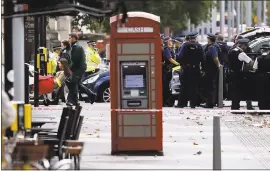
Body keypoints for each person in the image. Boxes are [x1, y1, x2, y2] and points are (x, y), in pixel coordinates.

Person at [176, 32, 204, 108]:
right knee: (194, 87)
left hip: (186, 69)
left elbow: (179, 57)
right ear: (195, 38)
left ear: (188, 37)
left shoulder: (185, 45)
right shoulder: (200, 46)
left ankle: (181, 104)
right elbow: (203, 59)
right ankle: (193, 104)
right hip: (196, 69)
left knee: (184, 86)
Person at [227, 38, 255, 112]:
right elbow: (251, 62)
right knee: (239, 90)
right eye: (245, 46)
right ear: (243, 46)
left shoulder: (232, 51)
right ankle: (236, 106)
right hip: (239, 74)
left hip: (231, 73)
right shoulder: (241, 53)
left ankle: (234, 106)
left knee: (233, 90)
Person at [201, 33, 221, 108]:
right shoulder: (213, 46)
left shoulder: (212, 47)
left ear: (209, 39)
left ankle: (210, 103)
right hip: (211, 69)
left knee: (210, 87)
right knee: (210, 86)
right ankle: (210, 102)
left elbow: (215, 58)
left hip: (211, 70)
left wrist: (218, 65)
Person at [66, 34, 87, 106]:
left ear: (74, 38)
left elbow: (75, 60)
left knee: (72, 83)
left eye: (70, 38)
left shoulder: (77, 47)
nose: (69, 39)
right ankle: (75, 101)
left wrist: (70, 68)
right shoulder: (73, 46)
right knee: (74, 84)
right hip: (77, 68)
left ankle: (70, 100)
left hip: (78, 68)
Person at [162, 36, 179, 107]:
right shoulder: (166, 49)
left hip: (169, 70)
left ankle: (167, 101)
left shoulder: (170, 49)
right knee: (166, 86)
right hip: (167, 70)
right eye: (170, 41)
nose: (172, 42)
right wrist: (178, 64)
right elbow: (170, 59)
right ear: (167, 42)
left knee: (168, 86)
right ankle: (166, 102)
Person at [253, 44, 270, 111]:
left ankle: (262, 107)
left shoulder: (258, 58)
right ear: (269, 50)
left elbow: (254, 68)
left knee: (261, 92)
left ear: (262, 50)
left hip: (261, 77)